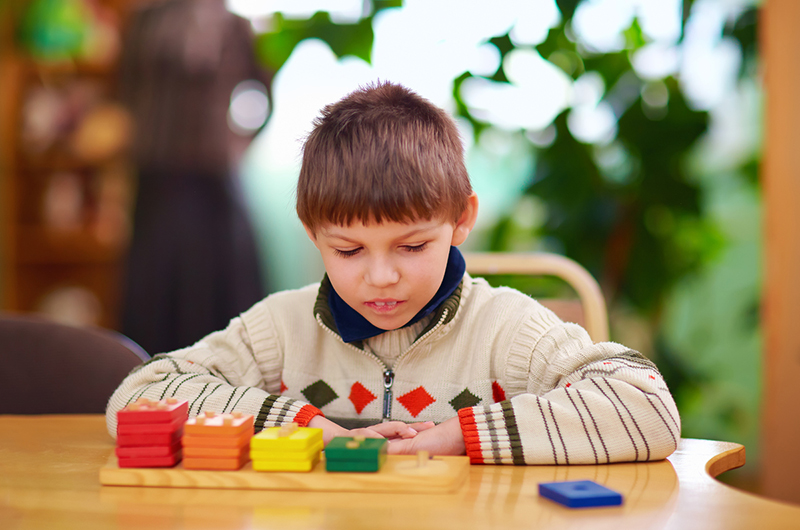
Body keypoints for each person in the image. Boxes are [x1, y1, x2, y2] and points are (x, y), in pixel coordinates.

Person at [106, 82, 680, 464]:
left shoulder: (509, 330)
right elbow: (137, 396)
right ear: (314, 236)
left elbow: (649, 407)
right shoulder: (280, 329)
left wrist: (462, 435)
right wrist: (307, 428)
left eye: (411, 246)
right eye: (349, 251)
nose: (381, 278)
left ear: (461, 221)